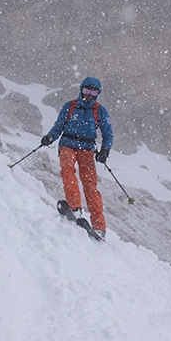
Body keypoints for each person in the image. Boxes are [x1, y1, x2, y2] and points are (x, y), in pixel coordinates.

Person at [41, 76, 113, 239]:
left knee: (90, 185)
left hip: (87, 149)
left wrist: (105, 150)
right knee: (67, 170)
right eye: (86, 90)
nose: (88, 95)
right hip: (67, 144)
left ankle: (99, 226)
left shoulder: (100, 111)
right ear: (81, 90)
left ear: (97, 94)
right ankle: (75, 208)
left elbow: (108, 133)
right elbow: (58, 126)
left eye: (93, 92)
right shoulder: (70, 107)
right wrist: (50, 137)